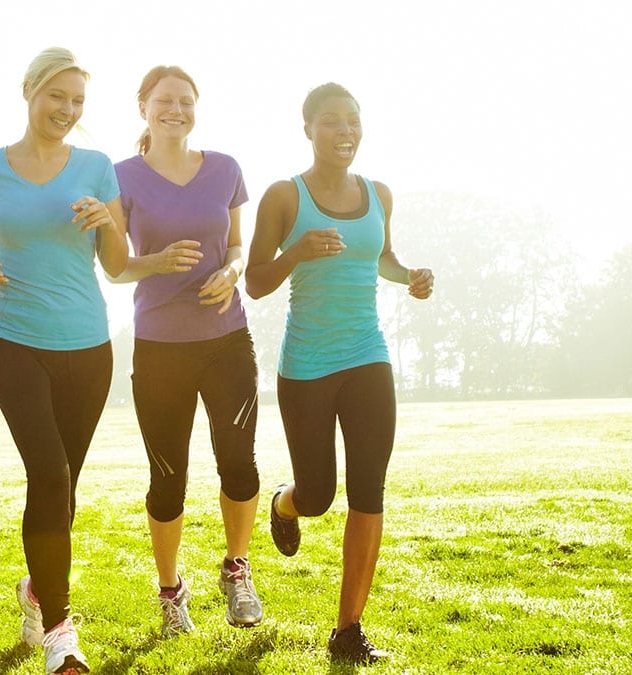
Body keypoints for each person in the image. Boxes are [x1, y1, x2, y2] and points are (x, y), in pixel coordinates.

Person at [244, 82, 435, 664]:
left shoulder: (379, 193)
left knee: (369, 490)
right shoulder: (284, 195)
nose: (345, 131)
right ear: (308, 129)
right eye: (331, 121)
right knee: (320, 494)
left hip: (367, 356)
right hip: (306, 365)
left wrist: (410, 277)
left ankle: (348, 629)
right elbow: (254, 281)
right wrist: (296, 250)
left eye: (353, 121)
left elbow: (380, 256)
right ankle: (285, 504)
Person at [0, 47, 127, 675]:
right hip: (12, 343)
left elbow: (117, 262)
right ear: (29, 91)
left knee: (62, 489)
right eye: (56, 95)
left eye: (77, 101)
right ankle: (61, 630)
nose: (66, 109)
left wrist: (107, 220)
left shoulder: (96, 166)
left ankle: (35, 590)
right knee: (52, 475)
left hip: (88, 348)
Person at [110, 65, 263, 637]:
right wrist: (156, 262)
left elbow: (240, 247)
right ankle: (171, 592)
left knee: (239, 463)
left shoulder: (225, 169)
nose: (175, 109)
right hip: (159, 348)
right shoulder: (120, 176)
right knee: (167, 476)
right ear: (144, 107)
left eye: (185, 100)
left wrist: (230, 269)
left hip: (227, 341)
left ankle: (236, 569)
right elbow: (115, 266)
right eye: (164, 100)